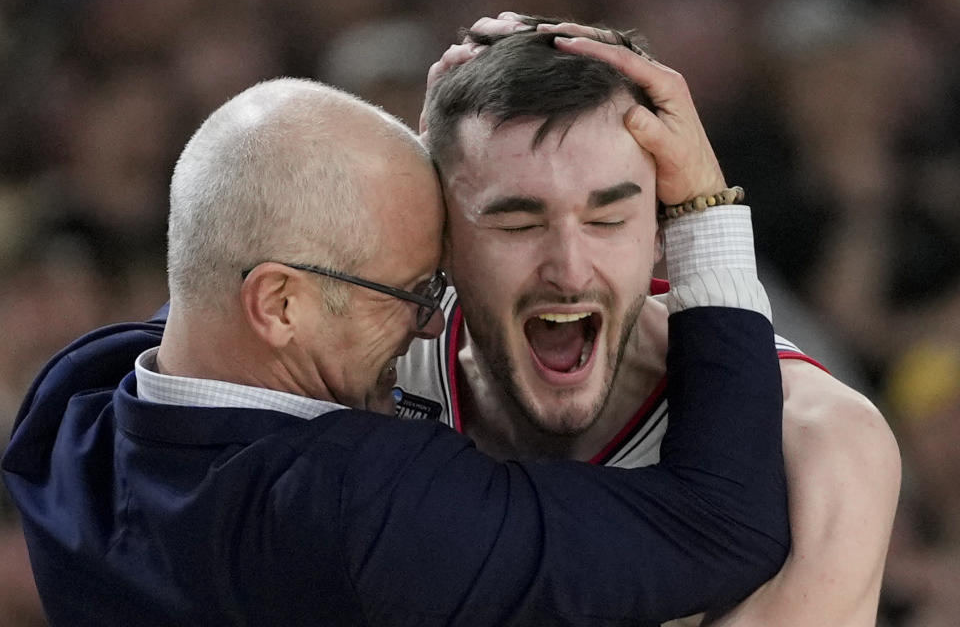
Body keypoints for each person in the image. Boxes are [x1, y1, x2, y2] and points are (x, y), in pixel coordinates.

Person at [1, 77, 789, 626]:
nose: (427, 325)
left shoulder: (71, 408)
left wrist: (439, 145)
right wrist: (702, 210)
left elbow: (215, 267)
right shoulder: (359, 502)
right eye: (412, 292)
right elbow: (722, 528)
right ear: (278, 305)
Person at [398, 14, 902, 626]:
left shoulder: (820, 443)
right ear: (441, 234)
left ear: (666, 232)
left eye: (608, 219)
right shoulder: (363, 365)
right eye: (518, 225)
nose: (570, 270)